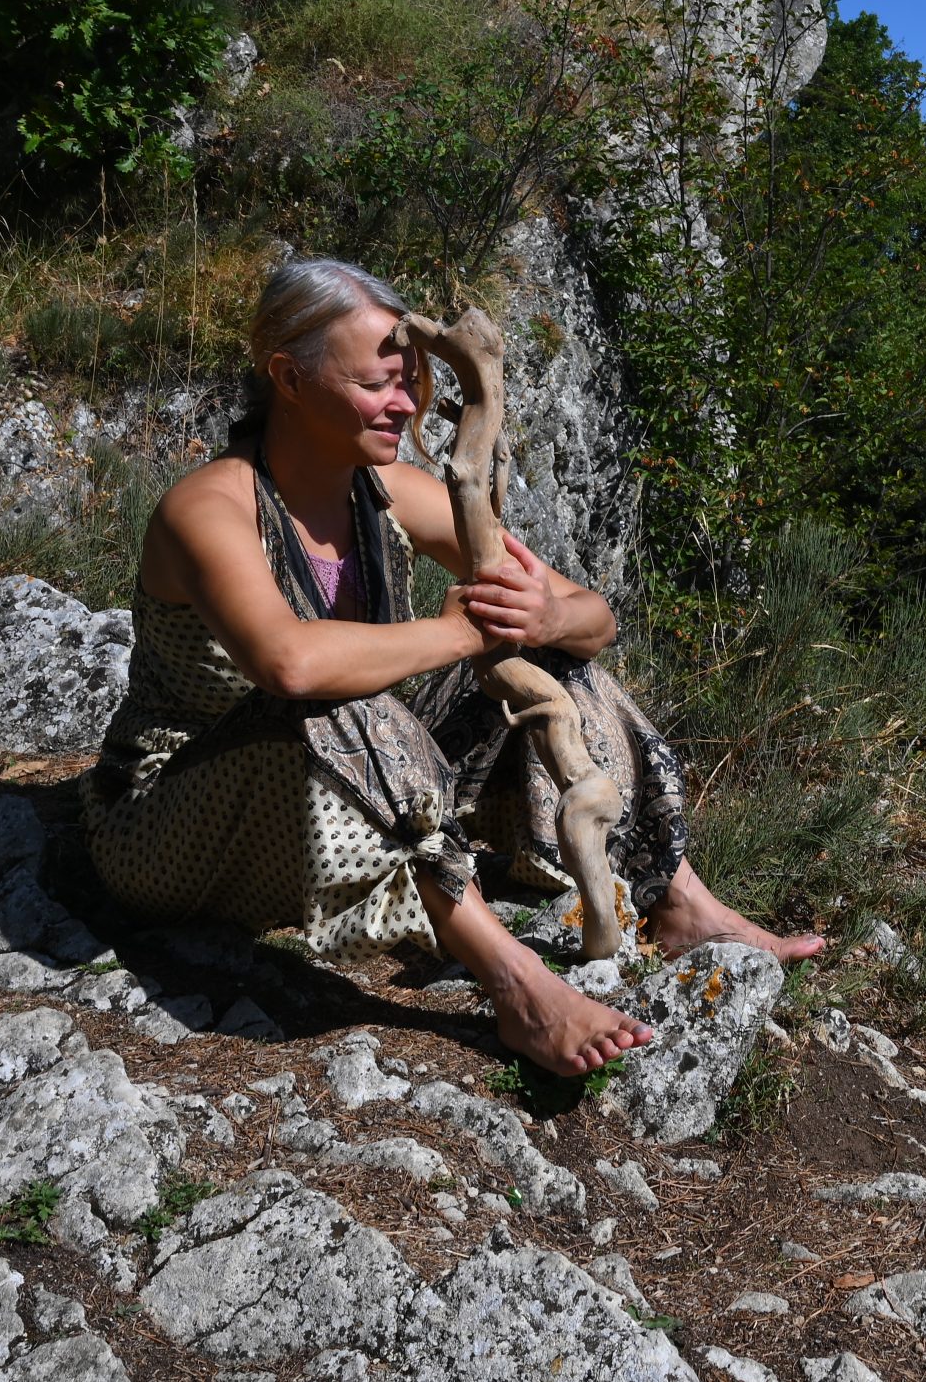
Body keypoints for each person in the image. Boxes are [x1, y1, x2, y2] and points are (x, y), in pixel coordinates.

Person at [82, 258, 823, 1074]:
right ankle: (520, 987)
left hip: (341, 782)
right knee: (330, 698)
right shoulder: (210, 506)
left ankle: (678, 898)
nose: (407, 404)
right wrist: (463, 634)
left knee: (547, 656)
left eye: (413, 383)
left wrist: (545, 615)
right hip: (166, 827)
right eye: (380, 384)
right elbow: (288, 662)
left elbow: (595, 616)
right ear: (289, 378)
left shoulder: (388, 489)